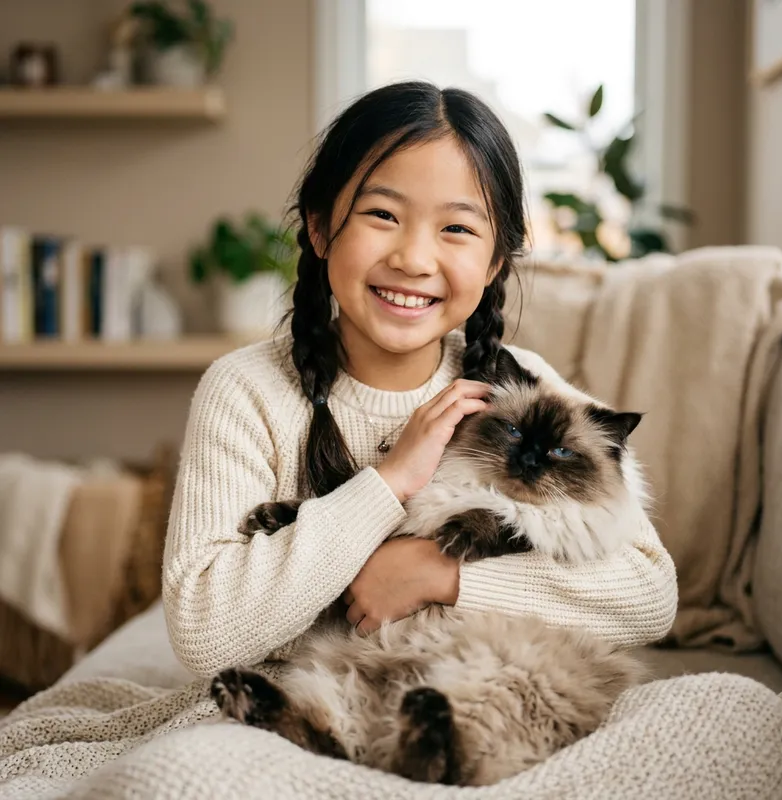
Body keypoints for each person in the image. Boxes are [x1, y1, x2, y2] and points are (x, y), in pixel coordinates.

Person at [162, 81, 678, 677]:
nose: (413, 258)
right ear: (322, 227)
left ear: (494, 264)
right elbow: (204, 633)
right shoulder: (245, 391)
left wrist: (441, 576)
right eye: (382, 214)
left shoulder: (525, 390)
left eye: (456, 229)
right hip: (308, 698)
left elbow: (648, 593)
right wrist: (388, 484)